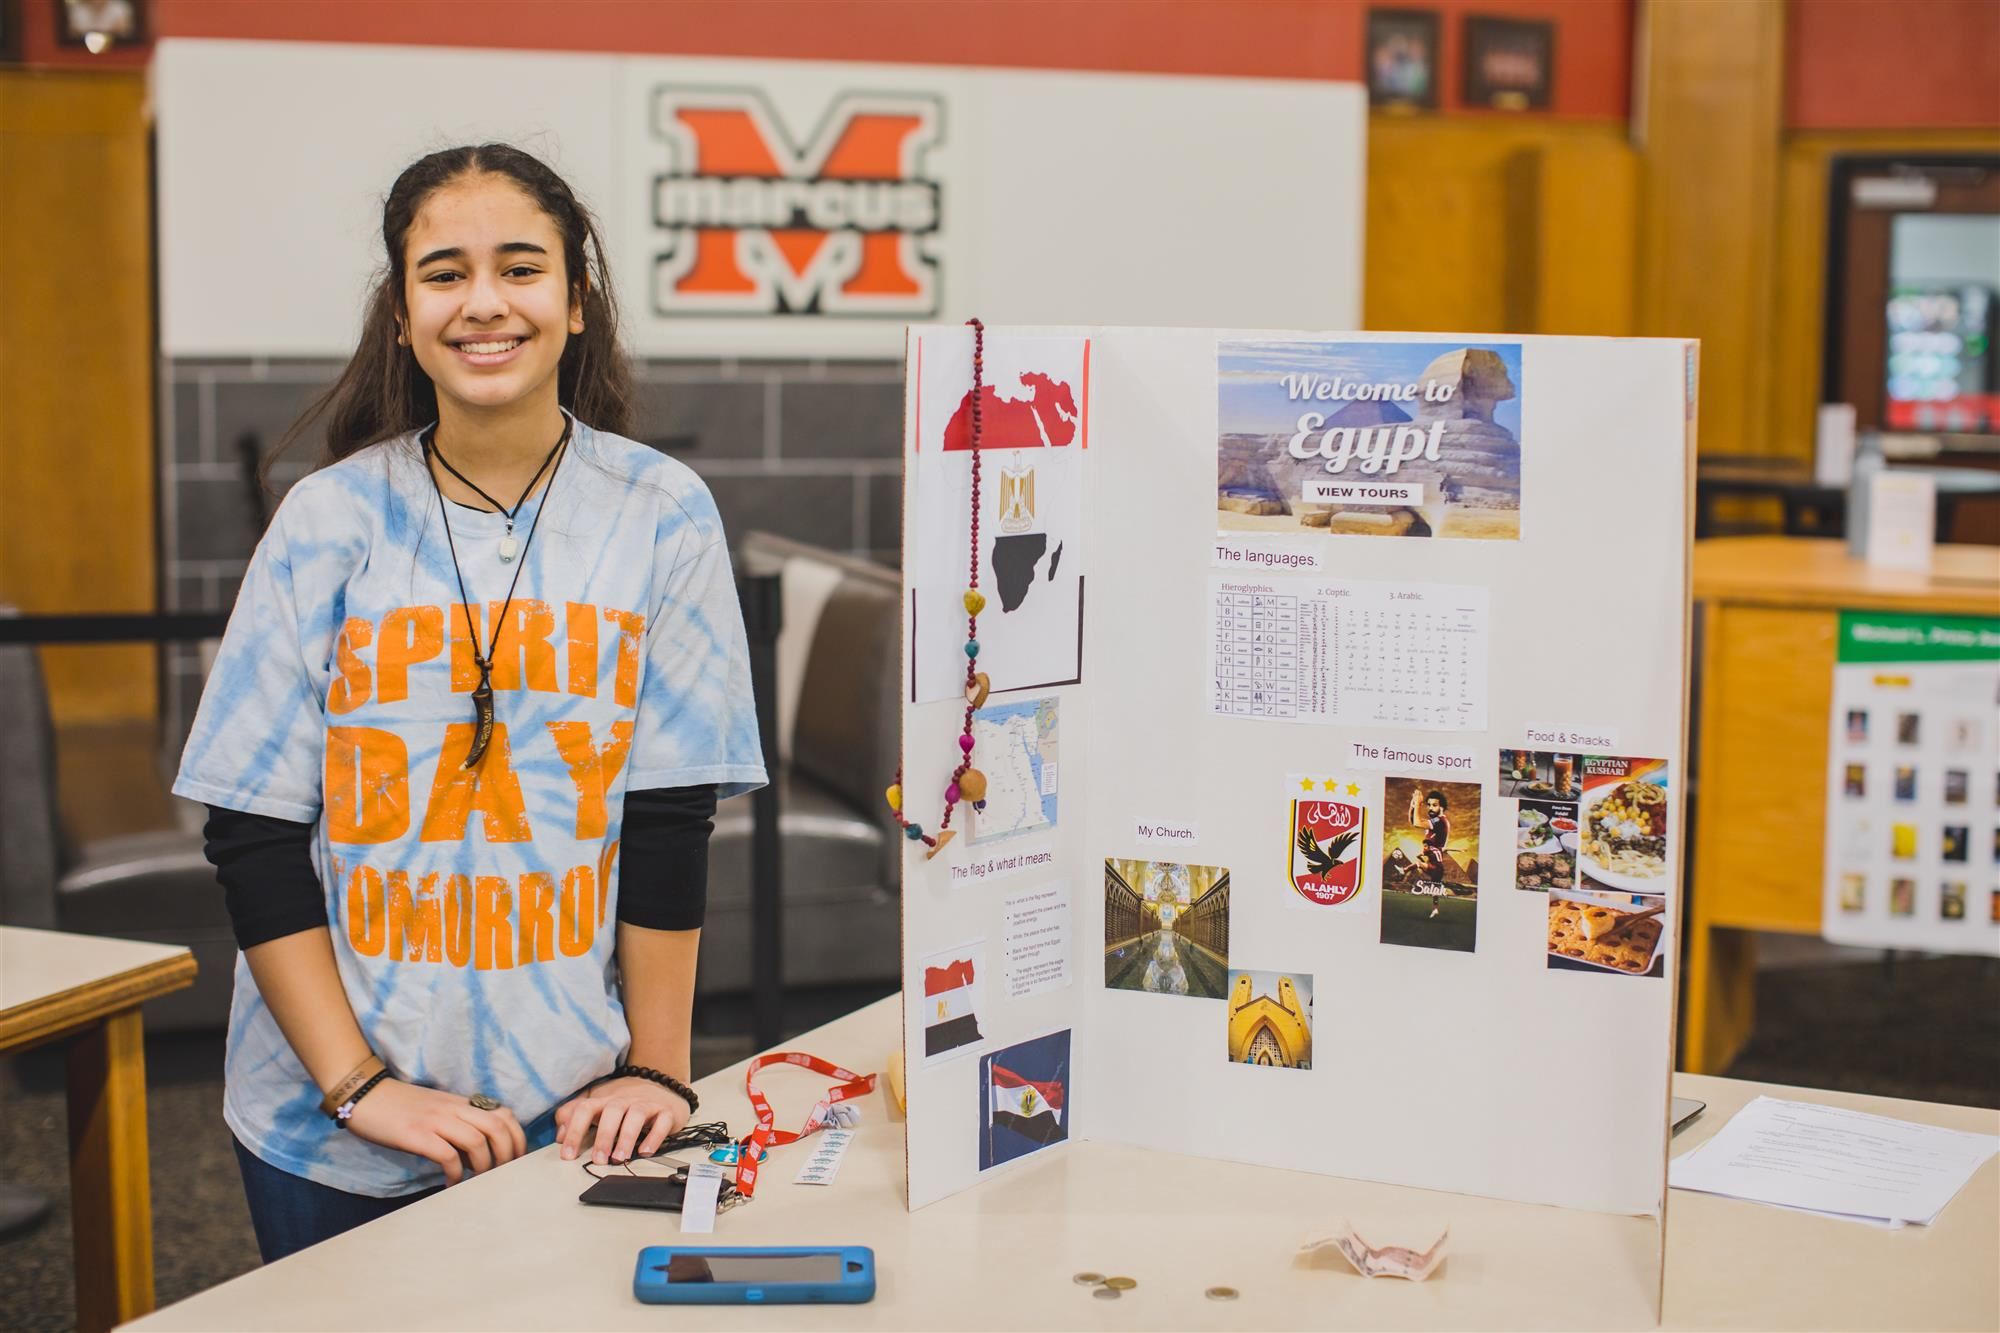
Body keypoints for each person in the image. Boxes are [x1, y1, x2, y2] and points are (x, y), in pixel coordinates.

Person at [174, 144, 765, 1263]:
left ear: (576, 301)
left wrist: (657, 1064)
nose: (483, 302)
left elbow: (670, 821)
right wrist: (360, 1088)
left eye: (521, 268)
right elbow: (250, 835)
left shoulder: (661, 513)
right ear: (400, 314)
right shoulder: (325, 521)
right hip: (326, 1120)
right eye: (443, 273)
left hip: (573, 1105)